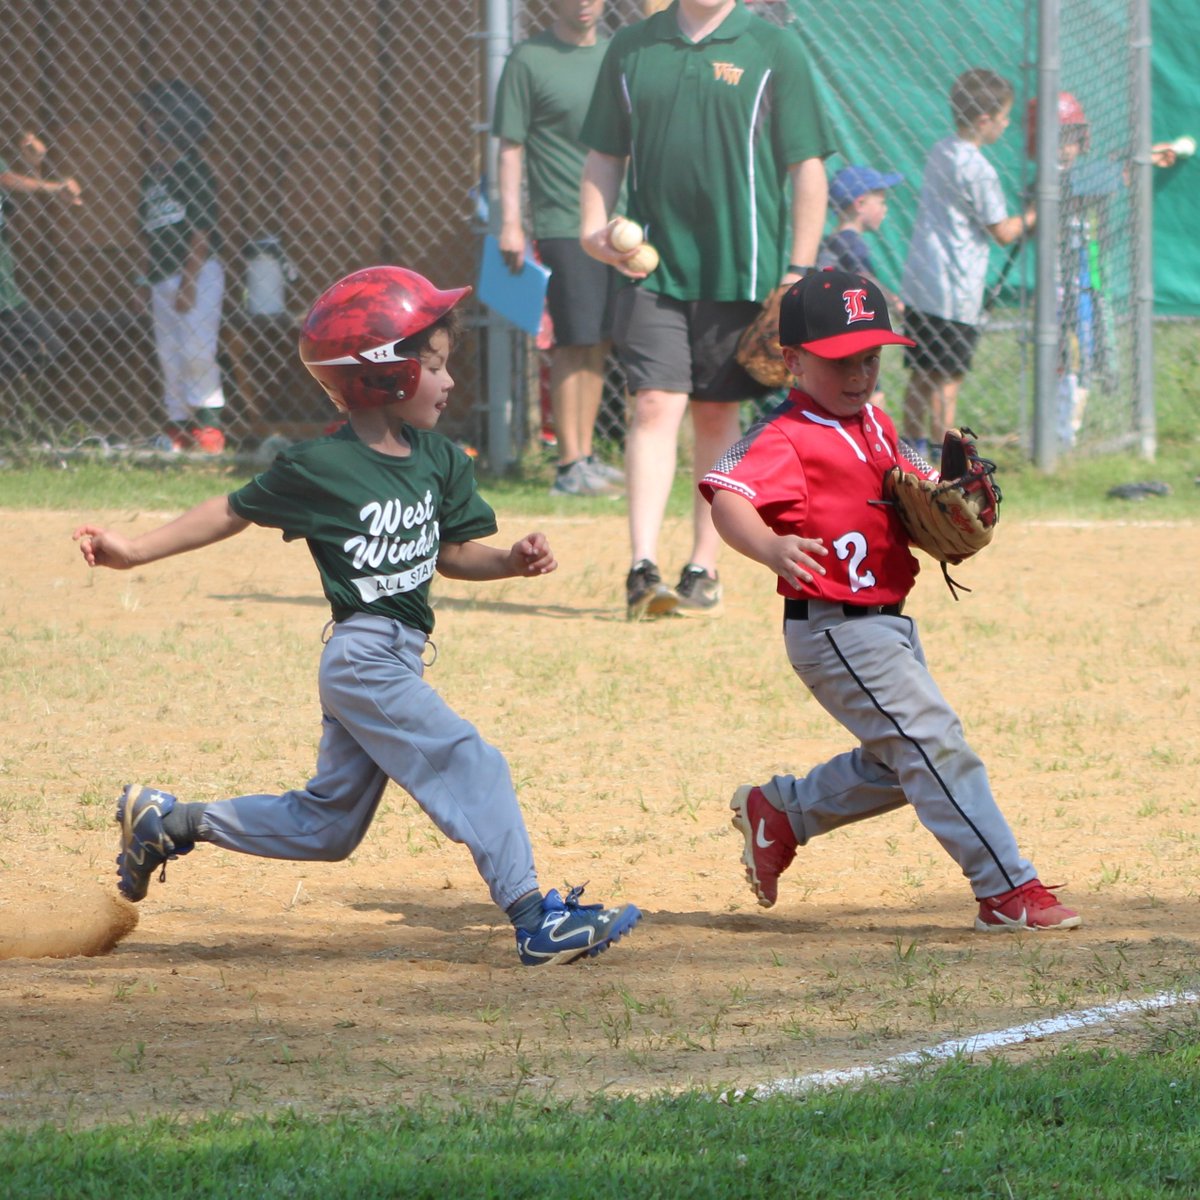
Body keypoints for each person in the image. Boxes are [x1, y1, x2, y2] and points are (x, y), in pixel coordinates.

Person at [73, 265, 642, 968]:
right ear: (385, 373)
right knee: (474, 764)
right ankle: (534, 920)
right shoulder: (321, 465)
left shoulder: (438, 460)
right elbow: (230, 511)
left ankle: (172, 821)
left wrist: (510, 562)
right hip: (363, 656)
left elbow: (454, 554)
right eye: (433, 366)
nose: (449, 381)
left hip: (391, 658)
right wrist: (131, 551)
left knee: (328, 826)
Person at [700, 268, 1082, 933]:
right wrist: (770, 549)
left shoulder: (874, 423)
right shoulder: (784, 435)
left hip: (887, 622)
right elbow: (728, 496)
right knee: (934, 741)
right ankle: (1006, 890)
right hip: (834, 628)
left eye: (870, 357)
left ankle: (783, 812)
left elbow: (913, 475)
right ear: (792, 361)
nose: (859, 373)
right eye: (840, 359)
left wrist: (950, 483)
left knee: (903, 755)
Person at [580, 0, 835, 619]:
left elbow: (807, 167)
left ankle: (705, 564)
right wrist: (592, 226)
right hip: (654, 267)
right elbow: (606, 153)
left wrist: (798, 270)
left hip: (741, 270)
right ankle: (643, 568)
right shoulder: (633, 46)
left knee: (717, 416)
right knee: (653, 403)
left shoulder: (773, 49)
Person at [492, 0, 624, 498]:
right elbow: (510, 145)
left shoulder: (617, 55)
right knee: (573, 340)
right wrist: (511, 223)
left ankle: (585, 454)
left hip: (618, 226)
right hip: (564, 223)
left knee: (599, 341)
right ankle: (568, 464)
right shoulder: (529, 59)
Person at [1024, 93, 1181, 448]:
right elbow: (1089, 181)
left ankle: (1065, 432)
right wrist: (1135, 163)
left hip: (1086, 285)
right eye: (1057, 138)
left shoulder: (1084, 172)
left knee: (1086, 357)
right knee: (1067, 356)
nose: (1066, 147)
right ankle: (1058, 436)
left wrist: (1142, 159)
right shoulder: (1046, 181)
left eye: (1071, 137)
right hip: (1059, 288)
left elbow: (1102, 174)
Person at [899, 68, 1035, 460]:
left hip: (922, 281)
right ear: (984, 120)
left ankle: (911, 454)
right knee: (948, 380)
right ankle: (948, 464)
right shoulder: (979, 168)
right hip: (955, 289)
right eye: (1004, 116)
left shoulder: (941, 149)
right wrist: (1034, 213)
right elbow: (1003, 232)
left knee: (921, 373)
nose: (1007, 124)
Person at [135, 80, 227, 454]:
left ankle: (208, 423)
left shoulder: (194, 170)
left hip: (198, 272)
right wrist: (142, 281)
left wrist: (189, 281)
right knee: (169, 353)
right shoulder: (151, 177)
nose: (146, 129)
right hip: (161, 275)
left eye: (153, 121)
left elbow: (201, 231)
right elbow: (146, 235)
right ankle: (178, 423)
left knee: (196, 348)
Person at [817, 163, 903, 406]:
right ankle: (873, 441)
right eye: (881, 202)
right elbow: (867, 280)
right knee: (874, 399)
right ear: (860, 203)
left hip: (830, 333)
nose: (885, 210)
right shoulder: (851, 242)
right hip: (850, 335)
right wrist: (896, 302)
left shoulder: (830, 241)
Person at [0, 130, 82, 381]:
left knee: (50, 351)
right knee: (36, 351)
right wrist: (57, 187)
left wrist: (34, 163)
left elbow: (16, 185)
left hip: (8, 292)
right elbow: (8, 180)